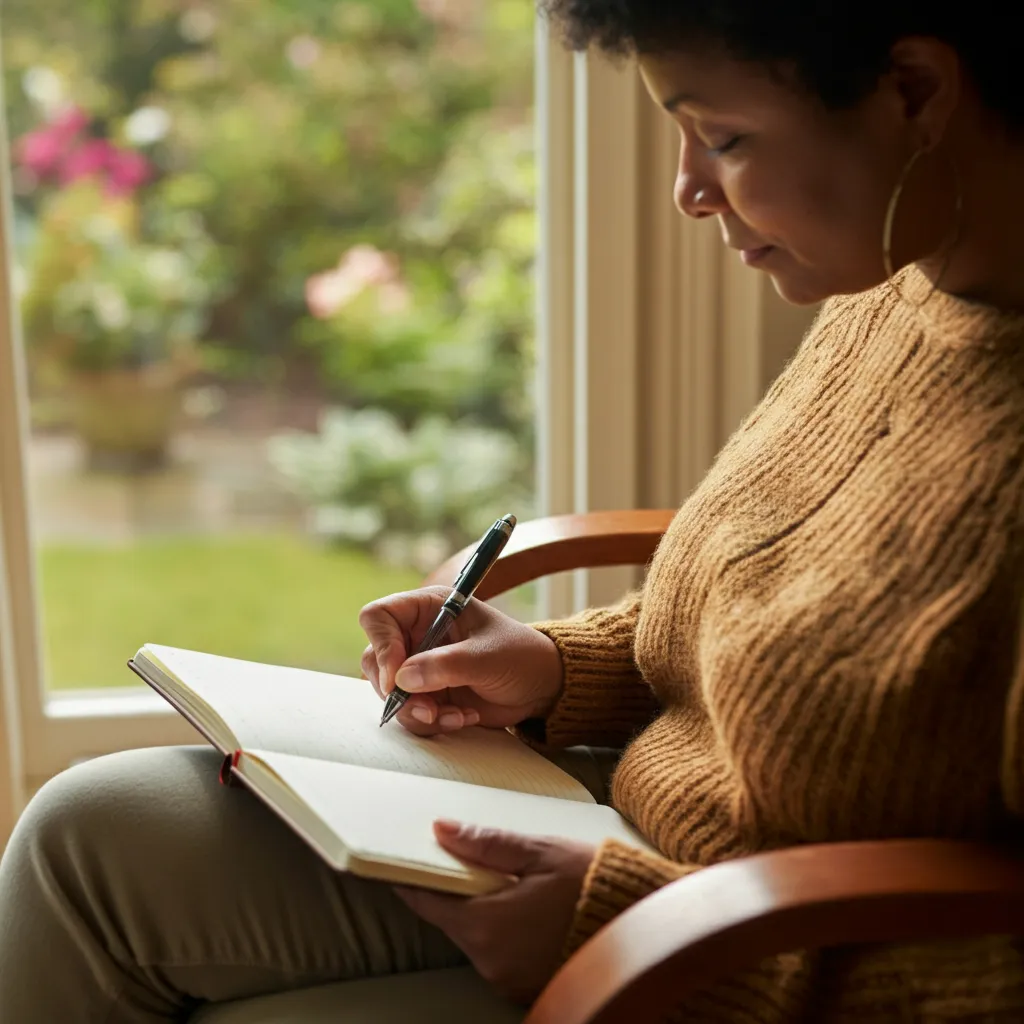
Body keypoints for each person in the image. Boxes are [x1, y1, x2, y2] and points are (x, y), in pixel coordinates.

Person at [4, 0, 1024, 1019]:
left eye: (722, 138)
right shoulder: (899, 287)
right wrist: (553, 667)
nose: (687, 190)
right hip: (619, 848)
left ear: (915, 92)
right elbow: (793, 604)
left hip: (732, 960)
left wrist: (654, 943)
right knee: (86, 838)